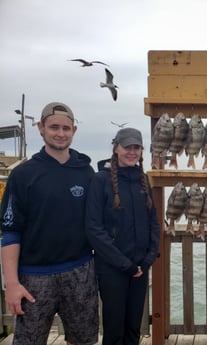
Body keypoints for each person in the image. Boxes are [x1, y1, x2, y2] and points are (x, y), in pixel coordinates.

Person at [0, 102, 99, 345]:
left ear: (74, 130)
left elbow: (99, 222)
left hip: (80, 271)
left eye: (66, 128)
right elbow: (10, 232)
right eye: (54, 127)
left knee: (84, 340)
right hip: (34, 277)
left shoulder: (86, 172)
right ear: (41, 128)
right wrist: (12, 284)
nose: (60, 133)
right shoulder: (22, 175)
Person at [85, 127, 160, 345]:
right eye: (127, 146)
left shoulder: (143, 180)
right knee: (114, 329)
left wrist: (146, 260)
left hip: (139, 269)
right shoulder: (100, 180)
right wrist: (124, 264)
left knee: (133, 328)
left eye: (136, 147)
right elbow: (93, 228)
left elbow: (154, 223)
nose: (131, 151)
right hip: (112, 269)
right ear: (116, 147)